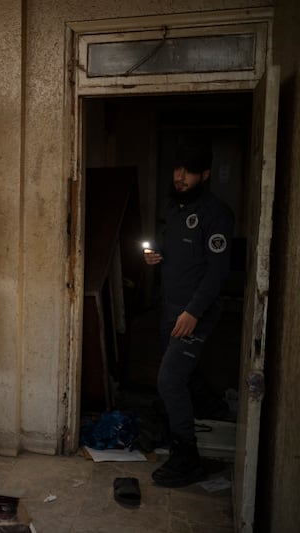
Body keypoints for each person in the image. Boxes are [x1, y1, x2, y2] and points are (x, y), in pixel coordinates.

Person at [143, 137, 234, 487]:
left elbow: (217, 273)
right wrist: (155, 257)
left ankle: (187, 458)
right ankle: (211, 408)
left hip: (194, 313)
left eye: (190, 172)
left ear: (206, 175)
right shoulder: (174, 208)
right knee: (179, 373)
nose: (180, 176)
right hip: (169, 309)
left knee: (170, 378)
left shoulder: (217, 214)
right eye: (178, 169)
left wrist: (193, 311)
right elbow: (171, 251)